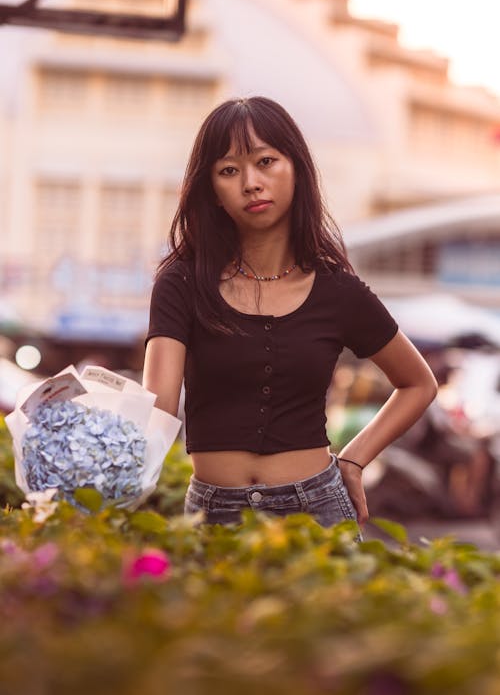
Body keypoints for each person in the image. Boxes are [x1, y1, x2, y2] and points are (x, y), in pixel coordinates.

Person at [142, 96, 437, 533]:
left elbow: (418, 383)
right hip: (214, 516)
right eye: (228, 170)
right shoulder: (182, 282)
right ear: (213, 193)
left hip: (317, 510)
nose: (251, 183)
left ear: (296, 168)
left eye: (266, 161)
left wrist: (354, 459)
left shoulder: (338, 290)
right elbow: (158, 408)